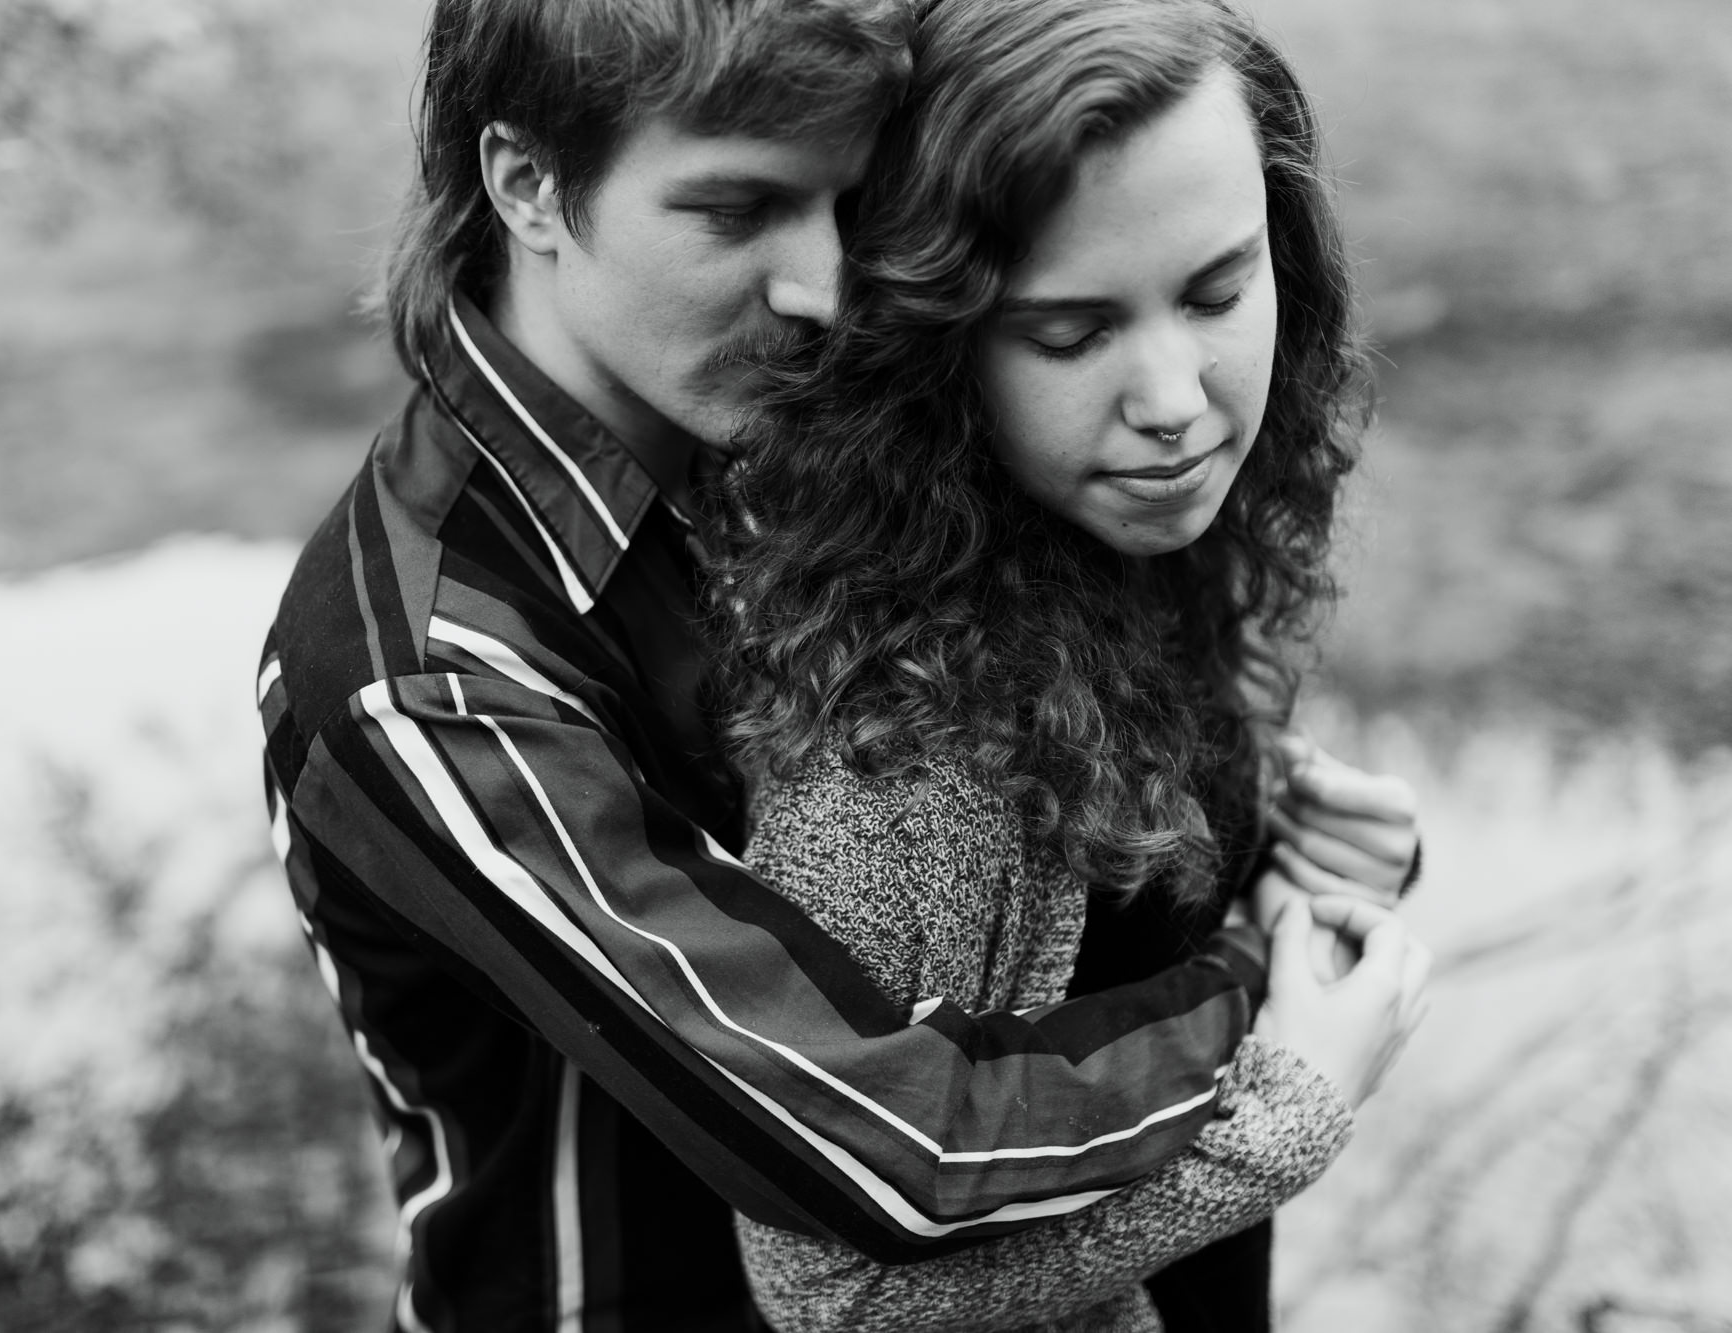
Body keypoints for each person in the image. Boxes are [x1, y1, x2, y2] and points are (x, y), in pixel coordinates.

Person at [254, 1, 1380, 1329]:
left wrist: (1241, 809)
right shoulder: (424, 668)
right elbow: (868, 1125)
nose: (824, 285)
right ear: (526, 183)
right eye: (738, 212)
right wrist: (1277, 1004)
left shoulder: (759, 412)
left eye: (845, 203)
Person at [705, 0, 1431, 1327]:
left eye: (1218, 291)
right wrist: (1284, 1113)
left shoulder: (1119, 540)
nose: (1174, 398)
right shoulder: (896, 764)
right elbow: (822, 1289)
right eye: (1070, 333)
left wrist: (1269, 848)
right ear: (935, 352)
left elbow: (1111, 939)